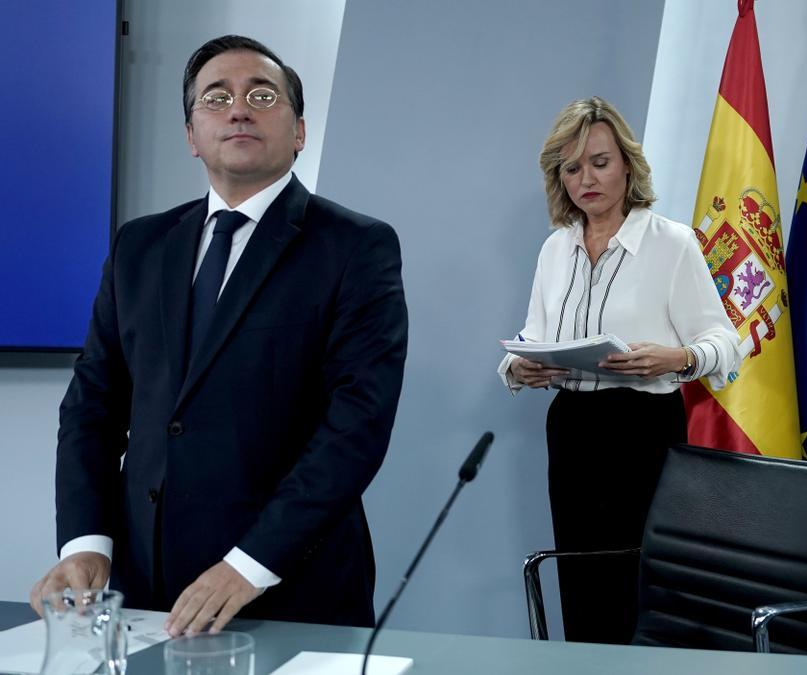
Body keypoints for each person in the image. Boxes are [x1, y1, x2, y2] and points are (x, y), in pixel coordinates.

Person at [28, 35, 408, 636]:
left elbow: (356, 424)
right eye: (216, 97)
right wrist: (83, 542)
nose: (238, 108)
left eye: (262, 94)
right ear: (191, 135)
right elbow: (92, 407)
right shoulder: (139, 247)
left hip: (288, 585)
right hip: (145, 588)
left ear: (299, 131)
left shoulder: (355, 246)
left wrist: (250, 564)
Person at [498, 97, 740, 644]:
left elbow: (727, 340)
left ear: (627, 165)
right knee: (581, 582)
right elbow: (530, 336)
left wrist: (678, 358)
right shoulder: (554, 249)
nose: (587, 178)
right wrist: (521, 368)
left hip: (642, 428)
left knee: (641, 585)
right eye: (572, 167)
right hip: (572, 427)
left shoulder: (671, 243)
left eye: (599, 162)